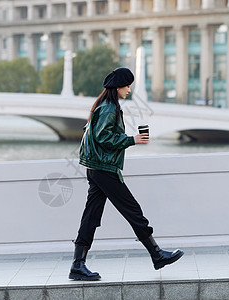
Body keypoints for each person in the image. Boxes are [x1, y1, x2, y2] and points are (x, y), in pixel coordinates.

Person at [69, 67, 184, 281]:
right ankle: (157, 254)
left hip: (96, 169)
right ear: (118, 86)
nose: (129, 89)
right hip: (104, 169)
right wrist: (132, 140)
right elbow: (103, 137)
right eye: (127, 85)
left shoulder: (104, 105)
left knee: (91, 216)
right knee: (132, 210)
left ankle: (78, 264)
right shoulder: (109, 107)